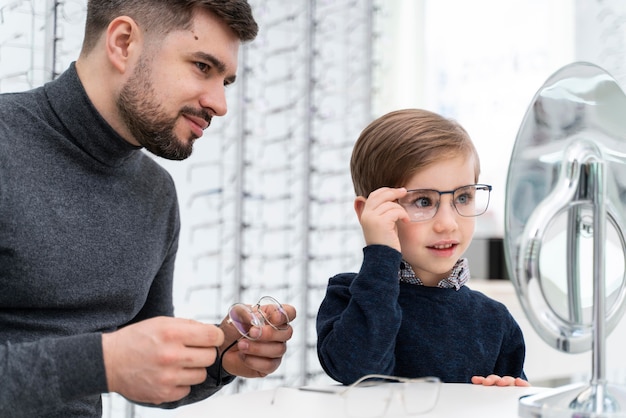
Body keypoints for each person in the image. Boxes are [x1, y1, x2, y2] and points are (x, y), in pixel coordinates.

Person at [0, 1, 296, 417]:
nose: (219, 104)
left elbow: (138, 369)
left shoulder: (155, 193)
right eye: (202, 67)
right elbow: (110, 362)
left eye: (225, 81)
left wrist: (221, 357)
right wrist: (103, 362)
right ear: (123, 43)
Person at [316, 108, 528, 387]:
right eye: (423, 202)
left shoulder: (495, 320)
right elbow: (359, 372)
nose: (447, 223)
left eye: (463, 197)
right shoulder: (348, 298)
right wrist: (381, 253)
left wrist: (506, 398)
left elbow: (514, 402)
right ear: (369, 212)